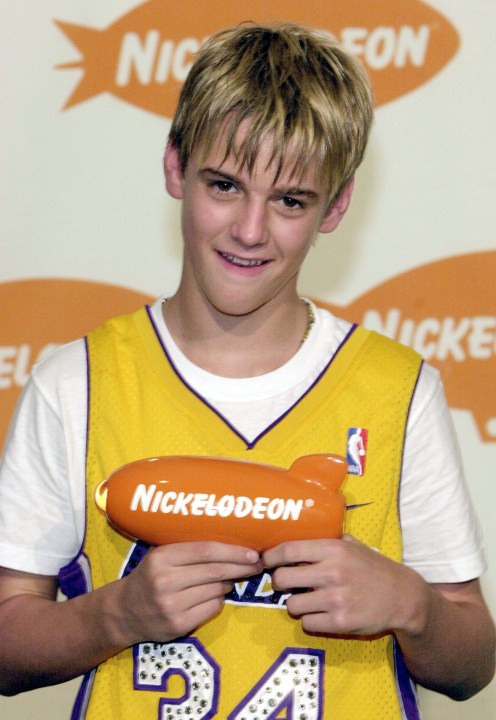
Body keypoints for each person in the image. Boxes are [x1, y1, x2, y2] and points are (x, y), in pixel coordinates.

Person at [0, 21, 494, 720]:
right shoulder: (76, 383)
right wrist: (115, 616)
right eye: (225, 185)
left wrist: (414, 608)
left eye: (290, 199)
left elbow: (473, 663)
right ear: (175, 167)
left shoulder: (398, 387)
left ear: (337, 205)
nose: (251, 230)